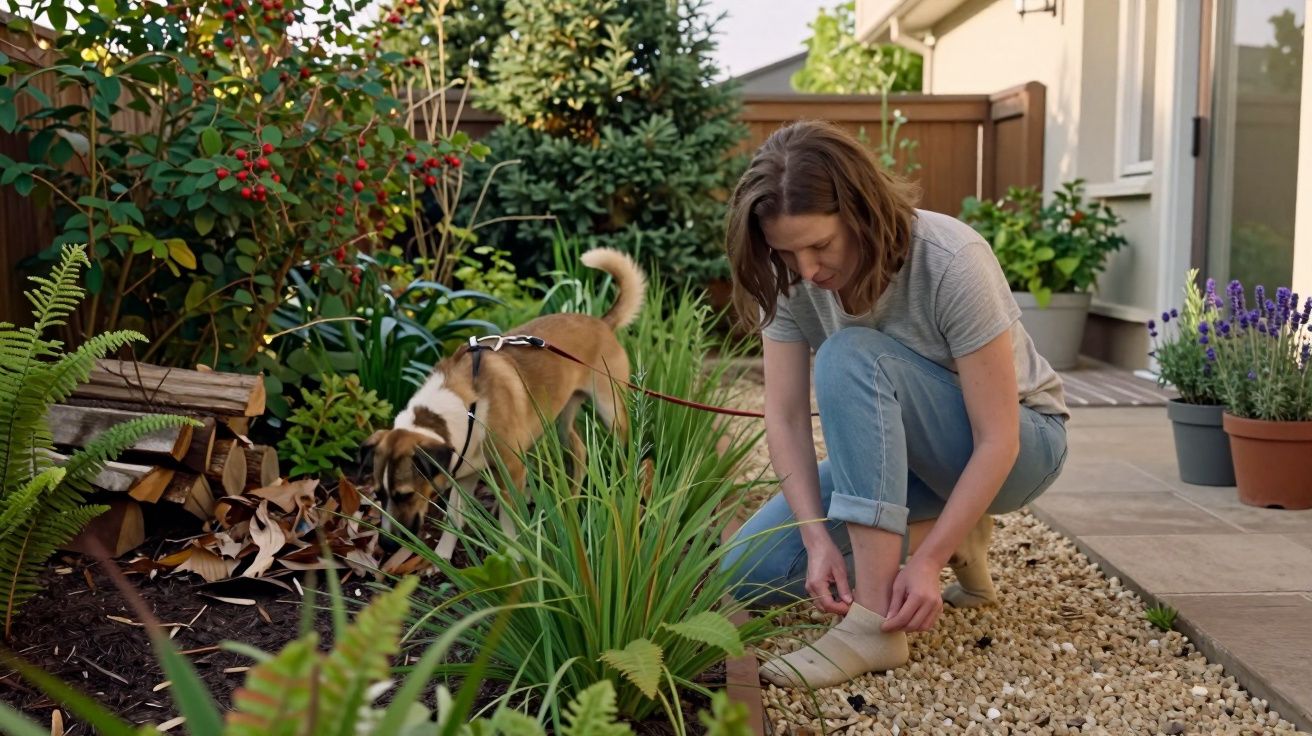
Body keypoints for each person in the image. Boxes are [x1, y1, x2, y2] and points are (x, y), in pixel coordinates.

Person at [720, 120, 1070, 689]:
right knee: (749, 572)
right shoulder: (791, 276)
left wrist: (926, 561)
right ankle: (957, 531)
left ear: (859, 210)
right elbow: (783, 416)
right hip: (900, 457)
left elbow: (998, 437)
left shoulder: (951, 257)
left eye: (820, 245)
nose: (807, 270)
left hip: (1021, 448)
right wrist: (815, 539)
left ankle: (872, 625)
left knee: (849, 355)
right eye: (788, 251)